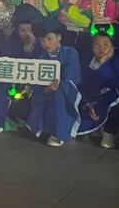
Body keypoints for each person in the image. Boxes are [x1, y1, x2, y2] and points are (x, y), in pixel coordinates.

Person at [27, 19, 83, 147]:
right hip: (45, 91)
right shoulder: (40, 56)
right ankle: (41, 128)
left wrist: (58, 86)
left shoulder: (70, 53)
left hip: (64, 91)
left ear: (59, 37)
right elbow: (35, 79)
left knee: (58, 94)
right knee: (38, 96)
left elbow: (72, 77)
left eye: (49, 39)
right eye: (42, 40)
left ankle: (58, 133)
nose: (45, 43)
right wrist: (45, 89)